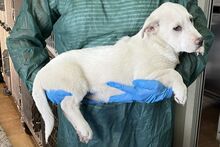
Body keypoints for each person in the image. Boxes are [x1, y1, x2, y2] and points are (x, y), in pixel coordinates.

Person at [6, 0, 213, 146]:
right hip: (85, 120)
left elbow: (200, 37)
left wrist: (176, 78)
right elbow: (22, 38)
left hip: (148, 125)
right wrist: (42, 81)